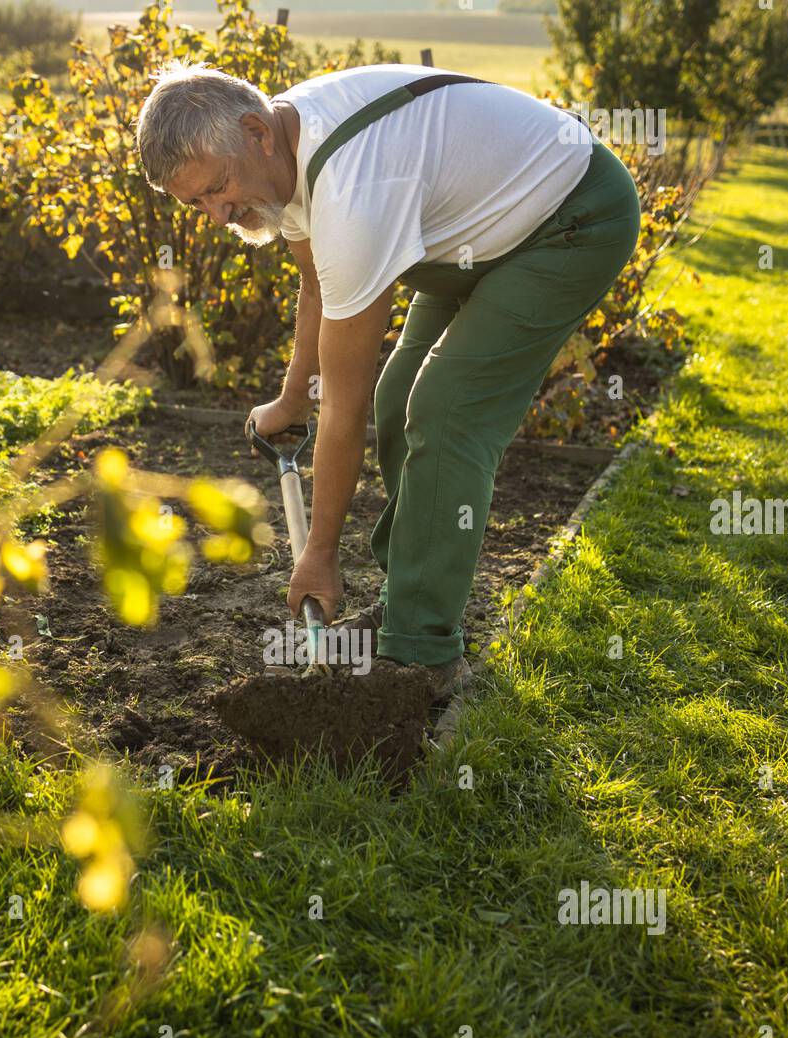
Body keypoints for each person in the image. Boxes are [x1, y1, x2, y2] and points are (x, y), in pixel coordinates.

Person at [137, 61, 641, 699]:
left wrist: (318, 554)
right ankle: (408, 594)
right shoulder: (279, 150)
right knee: (398, 397)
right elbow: (316, 284)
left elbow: (341, 411)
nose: (218, 213)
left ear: (255, 134)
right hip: (476, 232)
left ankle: (422, 652)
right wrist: (292, 401)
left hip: (570, 219)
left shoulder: (354, 187)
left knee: (445, 408)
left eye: (218, 187)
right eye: (196, 202)